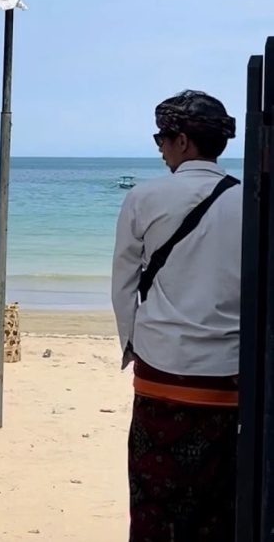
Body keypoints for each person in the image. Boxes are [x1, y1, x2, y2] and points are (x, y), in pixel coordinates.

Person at [111, 90, 241, 541]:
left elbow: (123, 284)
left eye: (162, 139)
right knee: (217, 498)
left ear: (182, 141)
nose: (161, 149)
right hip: (226, 376)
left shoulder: (144, 197)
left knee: (153, 495)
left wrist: (131, 343)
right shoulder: (247, 202)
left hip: (160, 370)